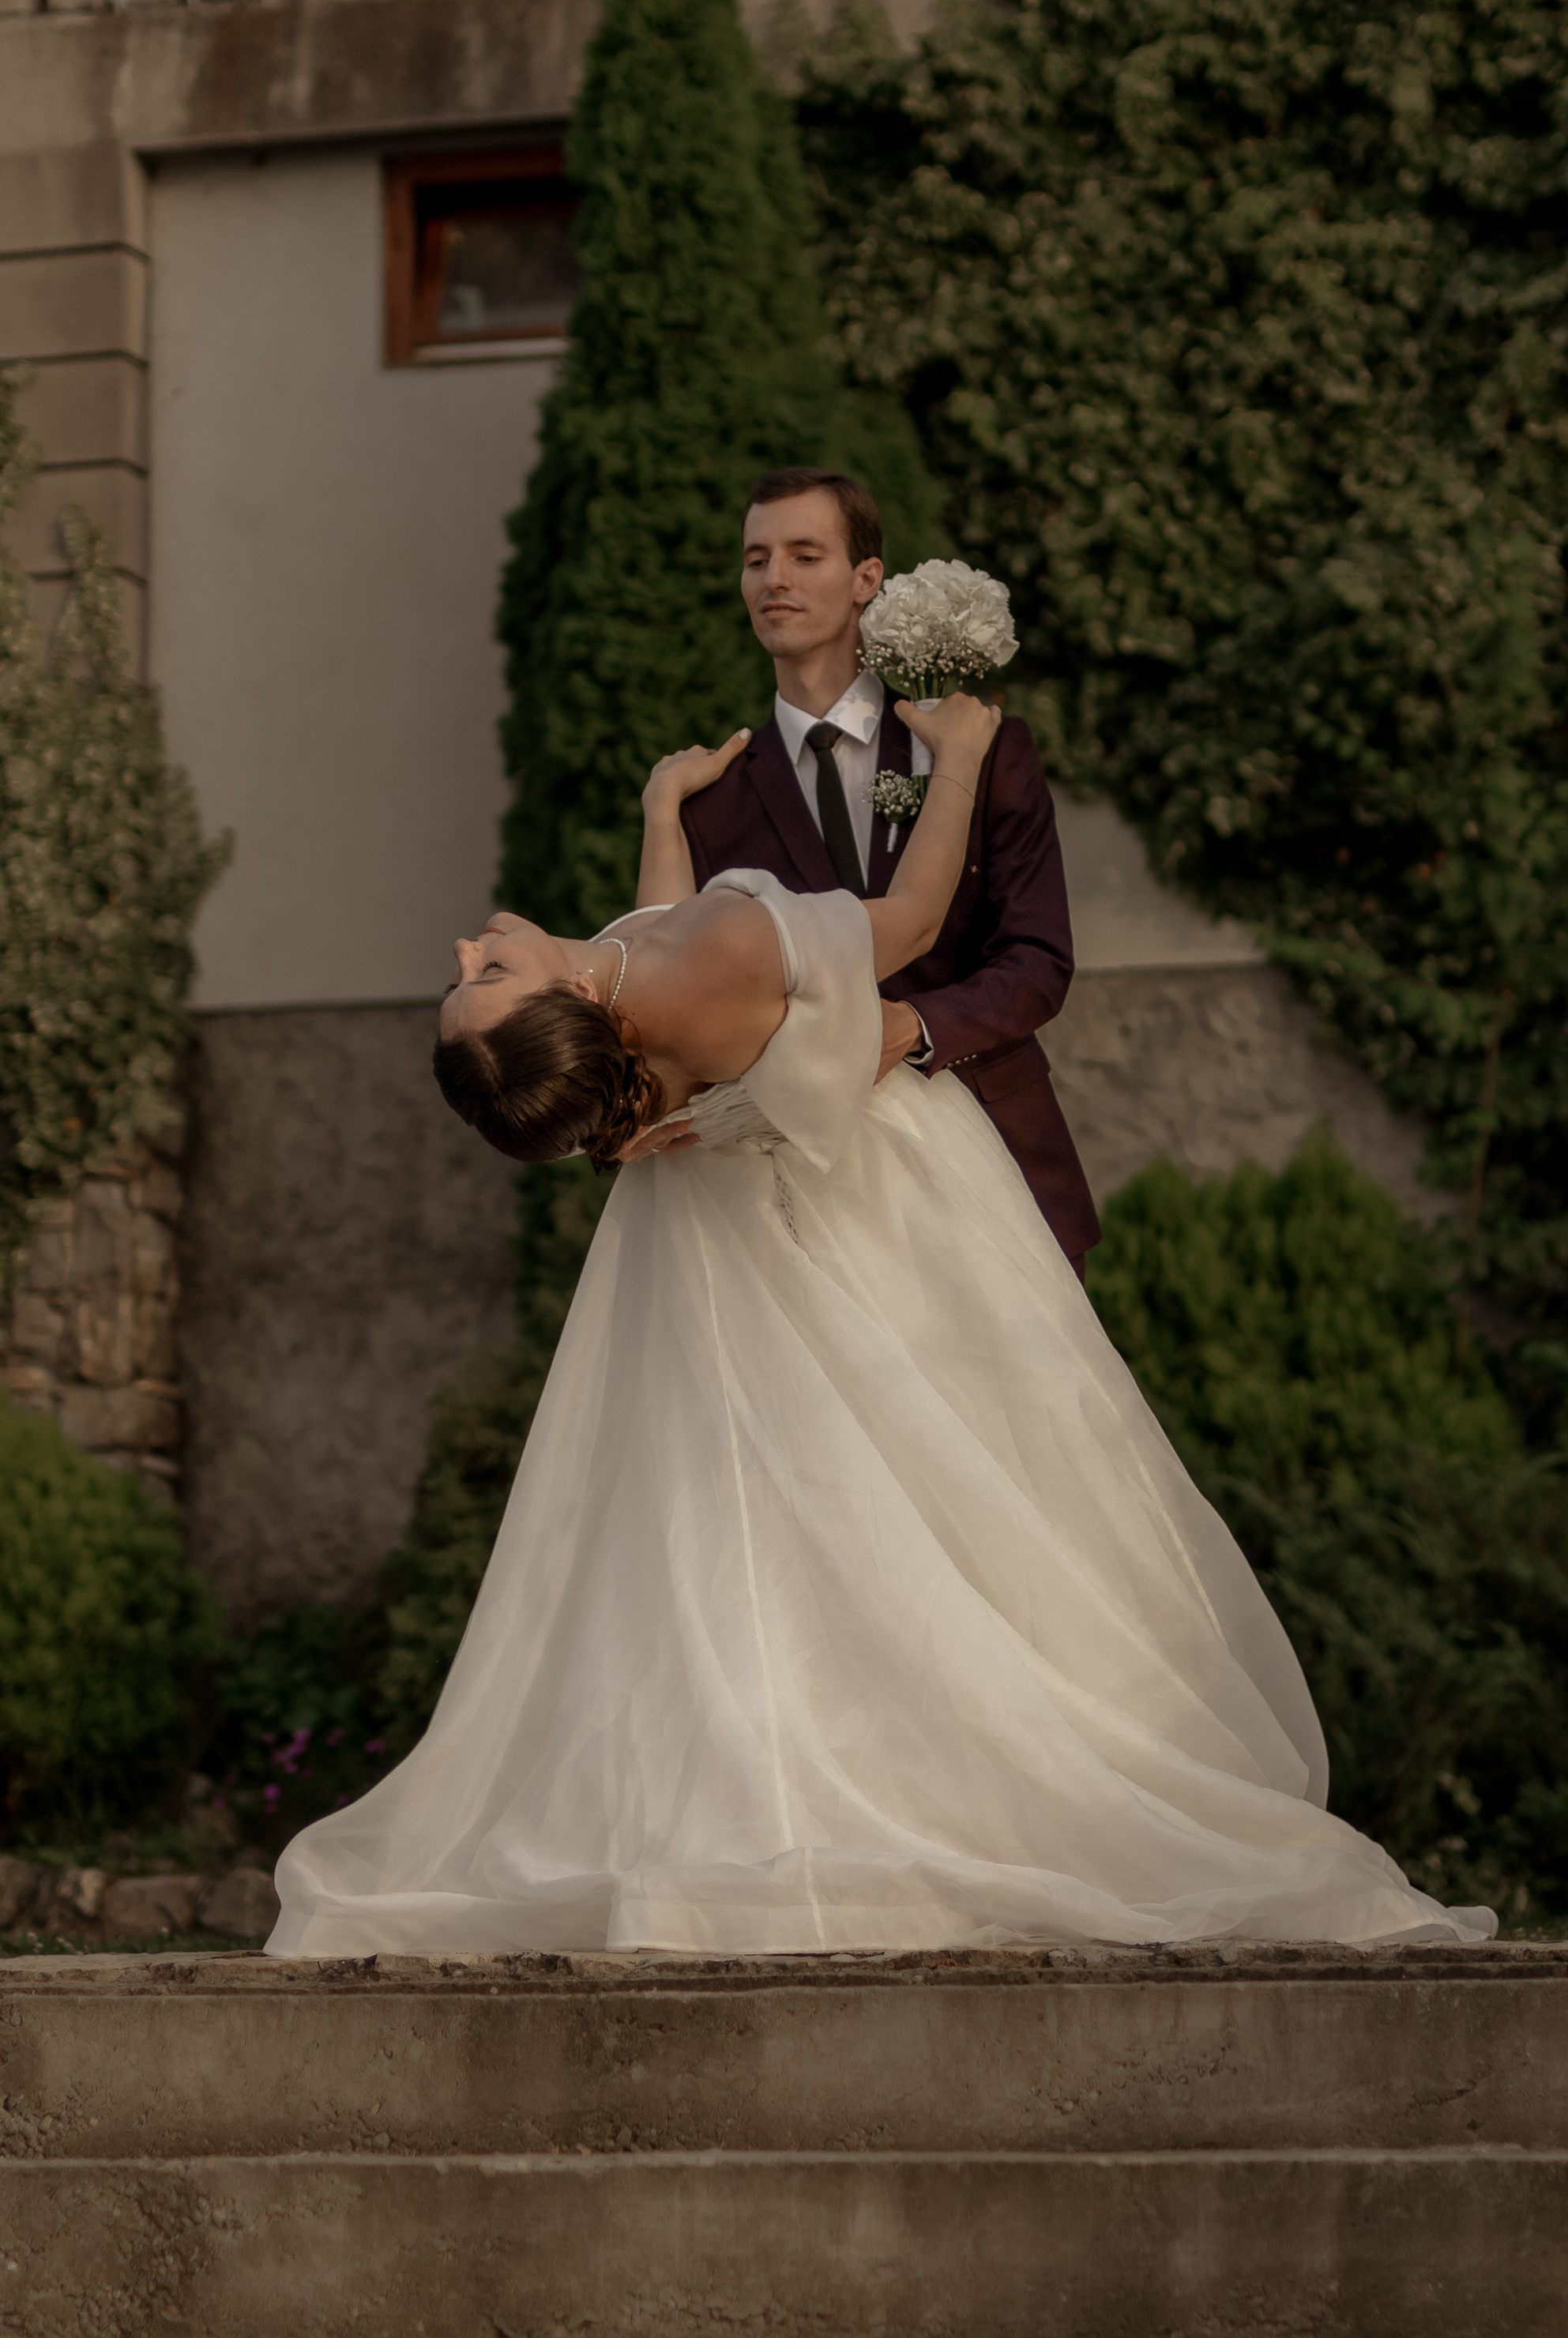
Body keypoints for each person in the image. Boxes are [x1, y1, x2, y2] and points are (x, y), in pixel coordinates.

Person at [265, 678, 1492, 1960]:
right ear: (561, 1006)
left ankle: (765, 1787)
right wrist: (959, 757)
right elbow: (901, 921)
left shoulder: (619, 1042)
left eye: (473, 973)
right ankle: (947, 1791)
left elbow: (642, 932)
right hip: (870, 1193)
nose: (468, 953)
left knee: (740, 1524)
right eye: (486, 979)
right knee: (920, 1485)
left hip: (712, 1252)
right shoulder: (710, 966)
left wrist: (661, 808)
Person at [678, 467, 1100, 1276]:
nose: (775, 579)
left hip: (998, 1169)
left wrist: (912, 1027)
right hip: (814, 1202)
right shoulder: (716, 799)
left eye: (805, 554)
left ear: (867, 577)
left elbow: (1038, 962)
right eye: (756, 558)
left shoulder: (982, 747)